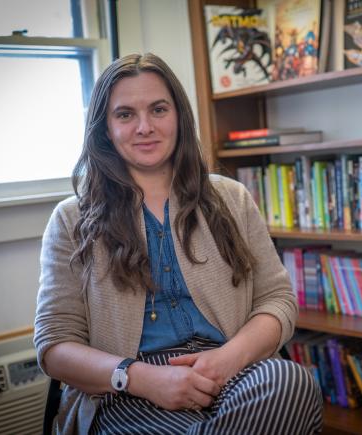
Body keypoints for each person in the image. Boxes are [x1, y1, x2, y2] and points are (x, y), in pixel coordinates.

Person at [34, 52, 323, 434]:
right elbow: (55, 345)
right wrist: (138, 378)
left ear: (179, 117)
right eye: (125, 114)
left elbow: (277, 299)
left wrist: (227, 360)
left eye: (158, 109)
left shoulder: (232, 198)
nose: (144, 127)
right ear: (105, 128)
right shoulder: (71, 219)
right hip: (126, 394)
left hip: (232, 374)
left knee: (293, 383)